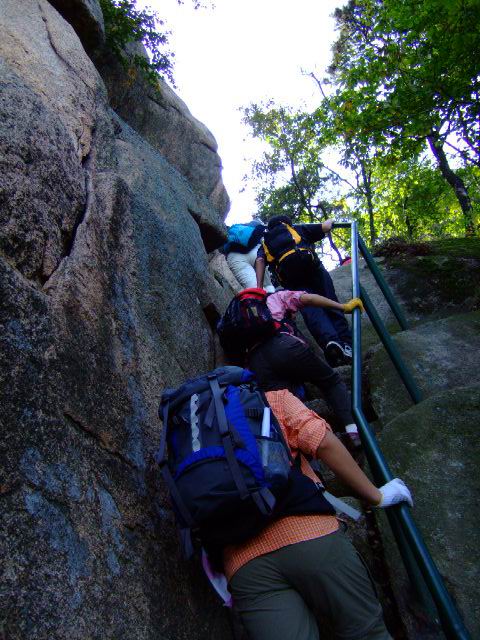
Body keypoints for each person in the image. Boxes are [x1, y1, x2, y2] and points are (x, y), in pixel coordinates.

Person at [224, 389, 413, 640]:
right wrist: (376, 496)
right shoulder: (273, 399)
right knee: (368, 633)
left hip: (244, 565)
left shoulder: (190, 431)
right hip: (310, 534)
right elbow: (323, 442)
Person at [245, 287, 364, 451]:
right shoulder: (277, 297)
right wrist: (343, 307)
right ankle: (353, 432)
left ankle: (308, 456)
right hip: (283, 346)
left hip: (257, 364)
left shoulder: (244, 319)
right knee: (331, 382)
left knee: (288, 410)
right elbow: (308, 299)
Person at [255, 215, 352, 367]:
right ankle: (347, 345)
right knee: (331, 302)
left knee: (311, 310)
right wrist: (331, 220)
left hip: (290, 279)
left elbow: (260, 260)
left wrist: (258, 288)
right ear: (286, 223)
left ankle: (330, 342)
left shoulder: (265, 243)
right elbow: (325, 227)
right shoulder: (296, 229)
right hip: (314, 269)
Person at [221, 220, 275, 293]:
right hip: (256, 251)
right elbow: (260, 228)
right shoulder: (248, 225)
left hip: (235, 258)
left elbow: (221, 250)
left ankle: (261, 298)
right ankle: (273, 297)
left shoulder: (225, 236)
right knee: (268, 284)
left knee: (255, 290)